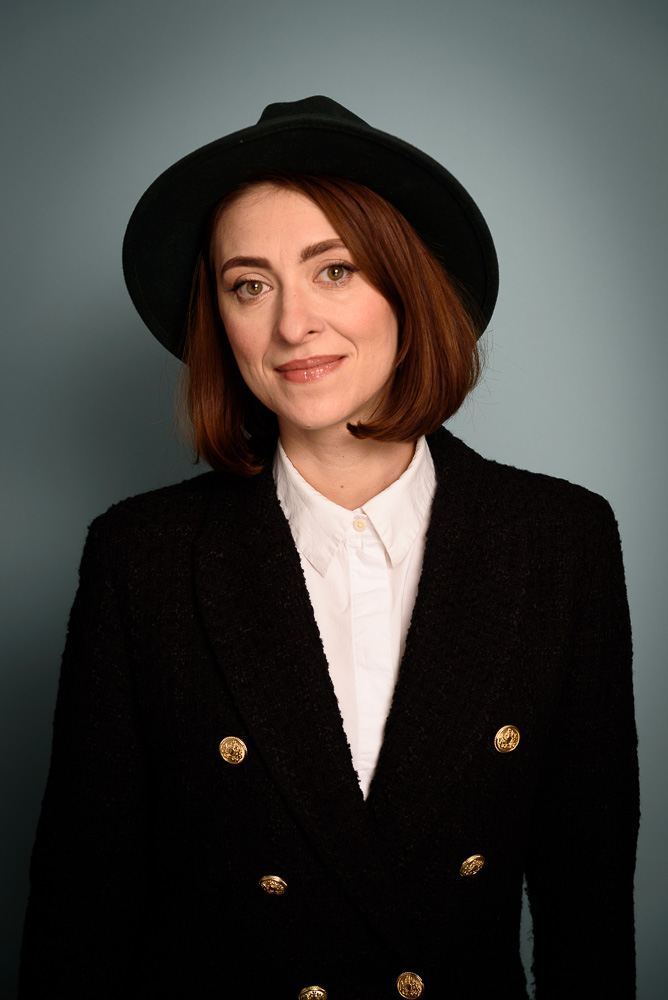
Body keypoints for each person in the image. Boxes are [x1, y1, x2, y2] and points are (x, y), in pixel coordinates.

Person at [19, 96, 639, 999]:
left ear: (408, 288)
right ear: (219, 321)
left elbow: (589, 909)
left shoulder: (561, 541)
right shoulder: (140, 557)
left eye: (335, 271)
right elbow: (81, 913)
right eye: (250, 285)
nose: (292, 325)